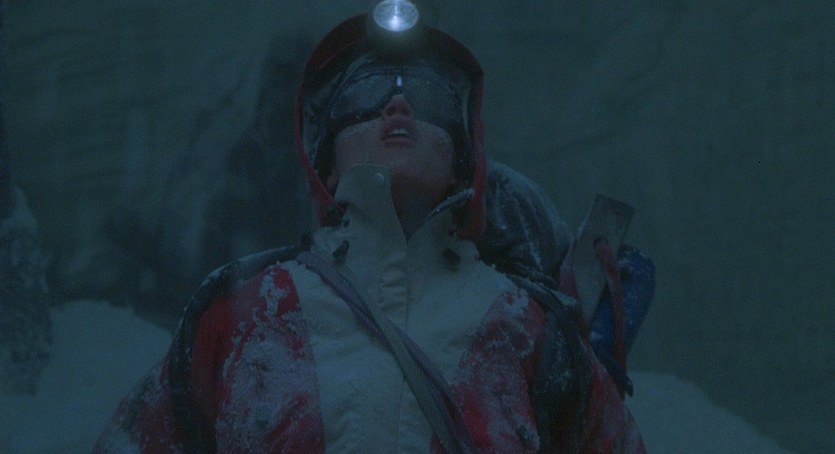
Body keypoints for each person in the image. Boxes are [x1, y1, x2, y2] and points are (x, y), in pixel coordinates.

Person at [95, 5, 646, 453]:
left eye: (428, 99)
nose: (398, 104)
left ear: (462, 159)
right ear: (326, 164)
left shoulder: (535, 330)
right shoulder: (238, 310)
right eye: (365, 97)